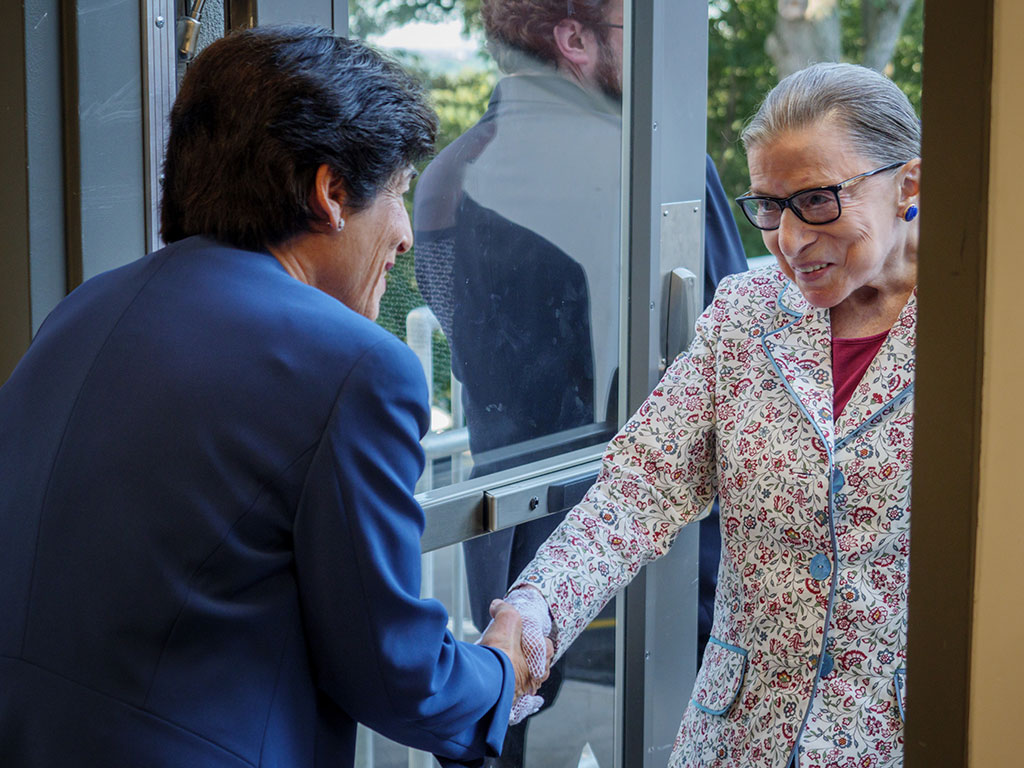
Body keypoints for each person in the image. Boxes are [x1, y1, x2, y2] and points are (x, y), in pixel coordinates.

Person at [0, 25, 548, 768]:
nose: (408, 235)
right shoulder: (358, 367)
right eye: (396, 194)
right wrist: (500, 674)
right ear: (329, 193)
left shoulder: (80, 311)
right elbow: (396, 674)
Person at [507, 61, 921, 768]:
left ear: (909, 184)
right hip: (737, 741)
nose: (788, 240)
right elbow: (638, 491)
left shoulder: (989, 335)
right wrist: (536, 608)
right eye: (768, 205)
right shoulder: (744, 315)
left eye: (817, 200)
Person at [413, 4, 746, 761]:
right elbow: (722, 344)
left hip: (510, 543)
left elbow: (464, 339)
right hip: (659, 553)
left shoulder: (448, 178)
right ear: (574, 41)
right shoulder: (661, 167)